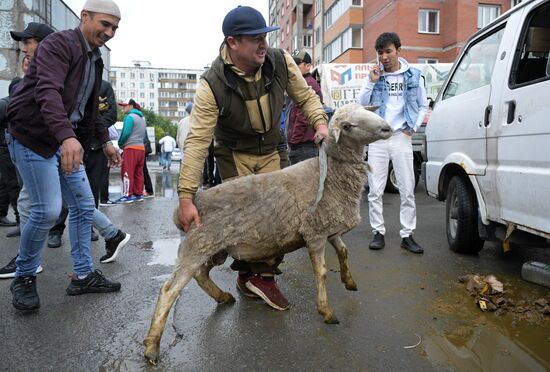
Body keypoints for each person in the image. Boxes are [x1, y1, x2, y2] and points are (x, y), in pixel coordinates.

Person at [177, 5, 328, 311]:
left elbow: (306, 97)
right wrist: (185, 196)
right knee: (247, 221)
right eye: (256, 38)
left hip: (273, 149)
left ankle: (259, 276)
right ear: (233, 42)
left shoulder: (280, 61)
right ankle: (253, 276)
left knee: (280, 218)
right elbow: (197, 143)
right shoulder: (212, 83)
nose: (264, 44)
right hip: (234, 154)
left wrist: (320, 123)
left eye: (266, 37)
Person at [5, 0, 123, 311]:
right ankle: (25, 277)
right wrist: (67, 137)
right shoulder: (59, 44)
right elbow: (48, 92)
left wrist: (104, 142)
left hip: (64, 141)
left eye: (114, 28)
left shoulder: (94, 59)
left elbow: (85, 111)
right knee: (46, 210)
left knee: (84, 206)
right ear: (85, 17)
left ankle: (83, 275)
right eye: (104, 24)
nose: (109, 32)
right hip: (33, 137)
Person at [357, 32, 428, 254]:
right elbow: (361, 103)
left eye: (388, 51)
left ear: (398, 49)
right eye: (380, 53)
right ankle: (378, 232)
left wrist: (413, 128)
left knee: (407, 188)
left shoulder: (414, 76)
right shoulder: (376, 76)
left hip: (401, 137)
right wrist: (372, 81)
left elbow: (423, 105)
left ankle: (407, 235)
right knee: (375, 189)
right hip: (378, 138)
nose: (384, 57)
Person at [287, 50, 324, 165]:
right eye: (292, 63)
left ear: (308, 66)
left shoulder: (308, 84)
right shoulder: (300, 82)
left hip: (304, 147)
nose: (293, 67)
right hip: (302, 146)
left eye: (297, 64)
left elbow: (303, 117)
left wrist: (294, 141)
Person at [116, 99, 146, 203]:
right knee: (138, 173)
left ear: (131, 106)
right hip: (141, 149)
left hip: (130, 148)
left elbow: (126, 133)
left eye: (124, 106)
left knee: (127, 172)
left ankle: (127, 195)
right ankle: (139, 194)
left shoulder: (129, 117)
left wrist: (120, 143)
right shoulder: (142, 118)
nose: (123, 108)